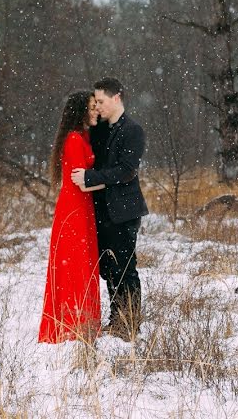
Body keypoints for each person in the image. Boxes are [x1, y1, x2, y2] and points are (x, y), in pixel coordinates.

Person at [72, 77, 148, 340]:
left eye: (102, 101)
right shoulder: (101, 129)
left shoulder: (133, 130)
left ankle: (131, 325)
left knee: (126, 269)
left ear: (117, 98)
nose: (99, 107)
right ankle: (116, 319)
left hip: (124, 212)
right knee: (108, 270)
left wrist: (91, 178)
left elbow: (126, 171)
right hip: (101, 212)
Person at [38, 91, 105, 343]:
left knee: (82, 265)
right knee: (75, 266)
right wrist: (112, 180)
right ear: (80, 111)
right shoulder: (75, 139)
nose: (95, 110)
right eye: (90, 107)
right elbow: (81, 183)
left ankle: (81, 323)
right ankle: (71, 325)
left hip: (82, 208)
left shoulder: (84, 137)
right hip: (74, 208)